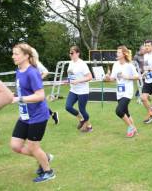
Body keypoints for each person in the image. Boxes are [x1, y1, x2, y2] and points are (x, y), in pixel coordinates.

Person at [10, 43, 55, 182]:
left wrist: (19, 98)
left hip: (38, 116)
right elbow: (22, 90)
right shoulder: (19, 71)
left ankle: (48, 172)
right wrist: (10, 95)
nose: (13, 56)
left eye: (16, 54)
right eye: (13, 53)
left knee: (32, 146)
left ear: (26, 56)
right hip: (25, 116)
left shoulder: (32, 72)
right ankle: (44, 157)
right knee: (15, 146)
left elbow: (40, 95)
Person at [105, 45, 139, 137]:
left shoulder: (129, 65)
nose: (117, 53)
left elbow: (137, 76)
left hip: (127, 92)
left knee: (119, 111)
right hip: (119, 92)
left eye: (119, 52)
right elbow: (112, 78)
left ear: (124, 54)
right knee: (126, 113)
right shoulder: (115, 64)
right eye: (117, 52)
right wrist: (108, 77)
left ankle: (131, 128)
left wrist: (128, 77)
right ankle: (134, 129)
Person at [65, 46, 93, 132]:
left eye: (72, 53)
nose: (71, 55)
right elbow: (71, 75)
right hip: (73, 90)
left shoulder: (82, 64)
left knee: (82, 110)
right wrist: (68, 80)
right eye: (70, 53)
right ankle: (81, 120)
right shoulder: (71, 63)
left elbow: (90, 77)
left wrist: (78, 81)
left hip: (82, 91)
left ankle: (89, 126)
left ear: (78, 53)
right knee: (68, 107)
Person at [31, 48, 59, 125]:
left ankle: (52, 115)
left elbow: (46, 72)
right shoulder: (29, 64)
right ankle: (53, 114)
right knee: (38, 104)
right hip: (31, 88)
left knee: (38, 104)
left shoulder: (37, 63)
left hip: (37, 87)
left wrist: (39, 79)